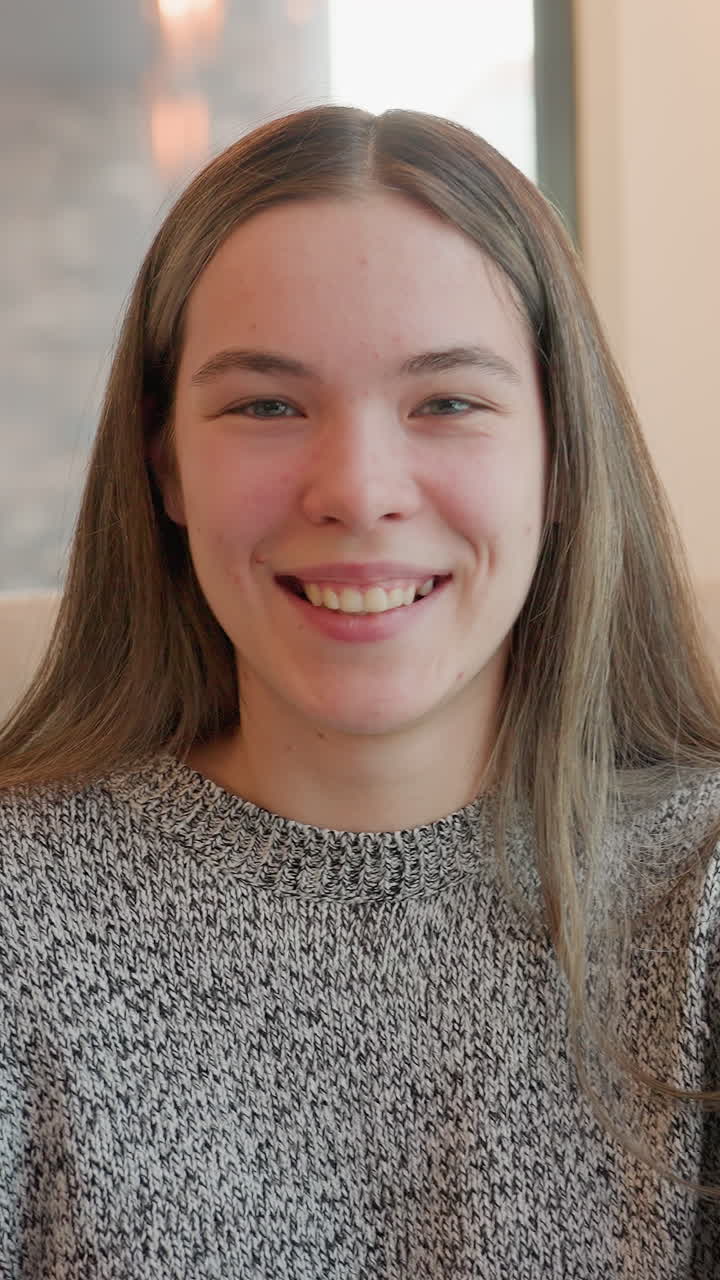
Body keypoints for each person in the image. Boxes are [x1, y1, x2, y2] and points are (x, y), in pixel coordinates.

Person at [1, 104, 719, 1278]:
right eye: (266, 404)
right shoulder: (16, 908)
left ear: (558, 459)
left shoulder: (704, 898)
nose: (357, 487)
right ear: (166, 462)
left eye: (447, 401)